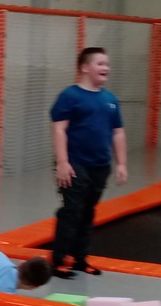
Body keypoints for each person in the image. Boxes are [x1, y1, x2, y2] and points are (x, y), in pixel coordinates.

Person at [49, 47, 127, 279]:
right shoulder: (70, 96)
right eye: (100, 64)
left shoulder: (110, 99)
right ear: (84, 67)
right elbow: (59, 129)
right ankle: (59, 260)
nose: (106, 68)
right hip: (75, 164)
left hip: (100, 165)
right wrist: (62, 162)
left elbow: (118, 132)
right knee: (72, 211)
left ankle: (80, 259)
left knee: (88, 212)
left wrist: (121, 163)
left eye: (107, 64)